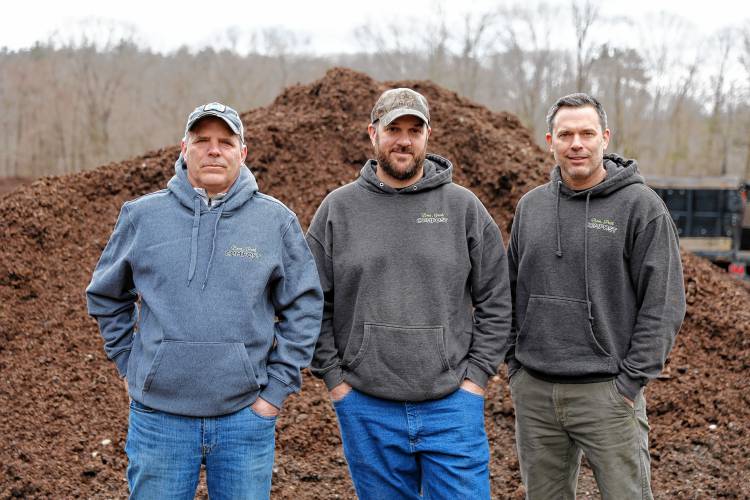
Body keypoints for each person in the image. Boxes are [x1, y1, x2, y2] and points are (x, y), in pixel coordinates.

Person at [86, 102, 323, 499]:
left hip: (244, 420)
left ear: (242, 153)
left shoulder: (275, 222)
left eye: (225, 142)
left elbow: (304, 306)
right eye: (202, 141)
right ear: (184, 148)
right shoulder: (142, 217)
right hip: (159, 420)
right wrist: (131, 366)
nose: (214, 150)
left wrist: (275, 392)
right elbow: (106, 294)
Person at [305, 88, 512, 499]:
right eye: (393, 129)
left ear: (427, 135)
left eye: (413, 130)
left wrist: (475, 380)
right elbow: (312, 302)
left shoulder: (463, 208)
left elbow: (496, 299)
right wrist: (335, 381)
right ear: (372, 134)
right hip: (366, 405)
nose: (403, 139)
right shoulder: (338, 210)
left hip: (451, 404)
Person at [505, 93, 686, 499]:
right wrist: (515, 367)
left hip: (607, 394)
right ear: (549, 140)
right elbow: (510, 292)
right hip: (536, 393)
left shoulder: (641, 207)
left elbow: (664, 304)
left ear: (605, 137)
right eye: (565, 134)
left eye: (587, 133)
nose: (577, 144)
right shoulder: (531, 208)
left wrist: (629, 382)